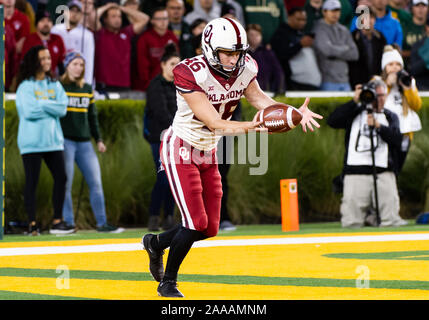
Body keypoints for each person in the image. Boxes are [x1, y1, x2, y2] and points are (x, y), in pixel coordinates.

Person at [141, 17, 322, 298]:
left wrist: (293, 112)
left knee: (210, 227)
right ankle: (168, 282)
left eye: (238, 52)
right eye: (227, 52)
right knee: (195, 223)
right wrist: (252, 126)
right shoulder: (189, 72)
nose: (233, 58)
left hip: (209, 150)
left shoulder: (245, 66)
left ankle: (156, 243)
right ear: (210, 48)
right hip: (181, 149)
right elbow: (214, 122)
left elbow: (259, 99)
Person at [327, 79, 407, 228]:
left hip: (383, 172)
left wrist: (379, 127)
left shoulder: (390, 116)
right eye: (375, 95)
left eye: (382, 95)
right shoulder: (354, 113)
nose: (379, 99)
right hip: (355, 172)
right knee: (351, 222)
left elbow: (397, 140)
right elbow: (332, 121)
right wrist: (354, 101)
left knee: (391, 221)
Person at [59, 51, 124, 233]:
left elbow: (92, 117)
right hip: (65, 141)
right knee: (66, 183)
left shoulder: (87, 88)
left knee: (96, 182)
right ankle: (68, 223)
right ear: (67, 65)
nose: (78, 68)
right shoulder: (59, 86)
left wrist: (99, 139)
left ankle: (102, 223)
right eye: (75, 64)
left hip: (85, 143)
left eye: (81, 65)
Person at [15, 45, 74, 236]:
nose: (47, 61)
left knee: (61, 178)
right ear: (35, 61)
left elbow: (63, 109)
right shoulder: (25, 86)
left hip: (53, 141)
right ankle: (32, 224)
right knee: (32, 182)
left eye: (49, 58)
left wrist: (41, 103)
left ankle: (57, 221)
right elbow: (28, 112)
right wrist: (51, 105)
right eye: (43, 58)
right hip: (31, 142)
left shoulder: (55, 84)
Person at [143, 44, 180, 231]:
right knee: (163, 177)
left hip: (177, 138)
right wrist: (178, 127)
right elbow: (160, 112)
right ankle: (154, 216)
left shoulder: (180, 86)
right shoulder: (155, 85)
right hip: (160, 138)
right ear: (163, 64)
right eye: (173, 63)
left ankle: (169, 217)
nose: (176, 67)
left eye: (178, 64)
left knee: (175, 178)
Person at [380, 45, 422, 173]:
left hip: (404, 133)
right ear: (384, 67)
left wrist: (407, 88)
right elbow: (376, 103)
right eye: (390, 64)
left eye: (398, 64)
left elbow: (416, 106)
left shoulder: (408, 81)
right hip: (386, 131)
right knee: (385, 167)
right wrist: (387, 84)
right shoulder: (378, 82)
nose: (394, 67)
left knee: (398, 167)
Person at [94, 3, 149, 92]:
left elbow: (144, 19)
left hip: (124, 85)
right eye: (113, 16)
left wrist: (122, 8)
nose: (117, 19)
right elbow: (93, 17)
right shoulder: (101, 33)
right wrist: (108, 6)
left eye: (119, 16)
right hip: (104, 85)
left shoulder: (127, 33)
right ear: (105, 19)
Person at [271, 6, 321, 91]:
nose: (302, 22)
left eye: (304, 20)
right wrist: (300, 45)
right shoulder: (281, 33)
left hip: (312, 82)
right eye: (298, 19)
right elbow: (281, 55)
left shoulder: (301, 33)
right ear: (289, 17)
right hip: (295, 83)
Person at [313, 0, 359, 91]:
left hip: (345, 80)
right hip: (327, 80)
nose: (335, 14)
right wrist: (345, 48)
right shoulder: (319, 28)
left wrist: (334, 50)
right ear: (324, 11)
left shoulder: (343, 29)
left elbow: (354, 54)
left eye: (337, 10)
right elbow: (327, 51)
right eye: (332, 11)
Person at [51, 0, 95, 85]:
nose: (74, 14)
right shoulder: (55, 30)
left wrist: (87, 84)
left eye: (77, 11)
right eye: (71, 10)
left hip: (77, 78)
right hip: (57, 77)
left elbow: (89, 61)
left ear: (81, 14)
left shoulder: (87, 35)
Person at [136, 7, 179, 91]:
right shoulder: (145, 38)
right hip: (150, 85)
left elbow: (176, 62)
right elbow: (142, 65)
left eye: (165, 18)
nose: (163, 22)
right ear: (152, 21)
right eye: (159, 19)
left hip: (170, 84)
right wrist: (148, 85)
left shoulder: (172, 37)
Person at [349, 7, 387, 88]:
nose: (369, 20)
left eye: (372, 17)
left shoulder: (380, 38)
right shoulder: (353, 37)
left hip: (377, 82)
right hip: (357, 82)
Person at [21, 10, 66, 77]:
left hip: (52, 79)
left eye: (49, 21)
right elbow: (25, 62)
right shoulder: (29, 39)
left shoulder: (58, 39)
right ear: (36, 24)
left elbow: (61, 64)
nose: (46, 24)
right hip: (33, 78)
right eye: (42, 21)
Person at [248, 23, 285, 94]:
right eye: (251, 35)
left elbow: (278, 72)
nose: (254, 37)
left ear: (261, 36)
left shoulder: (268, 53)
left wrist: (279, 89)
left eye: (257, 35)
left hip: (266, 91)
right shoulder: (243, 54)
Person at [401, 0, 428, 66]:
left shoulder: (427, 27)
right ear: (412, 8)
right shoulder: (404, 27)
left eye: (423, 5)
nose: (420, 9)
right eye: (417, 5)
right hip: (407, 65)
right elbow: (399, 51)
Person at [409, 17, 429, 90]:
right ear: (427, 27)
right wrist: (425, 60)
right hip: (422, 86)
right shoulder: (417, 46)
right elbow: (413, 70)